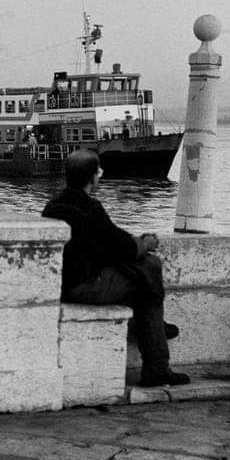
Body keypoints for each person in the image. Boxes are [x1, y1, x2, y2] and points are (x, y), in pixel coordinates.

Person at [41, 149, 189, 387]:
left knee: (144, 277)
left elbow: (107, 242)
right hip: (84, 286)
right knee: (148, 279)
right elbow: (124, 248)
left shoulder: (53, 205)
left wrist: (131, 244)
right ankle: (157, 366)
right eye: (98, 173)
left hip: (62, 284)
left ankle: (155, 331)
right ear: (92, 178)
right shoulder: (90, 208)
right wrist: (146, 242)